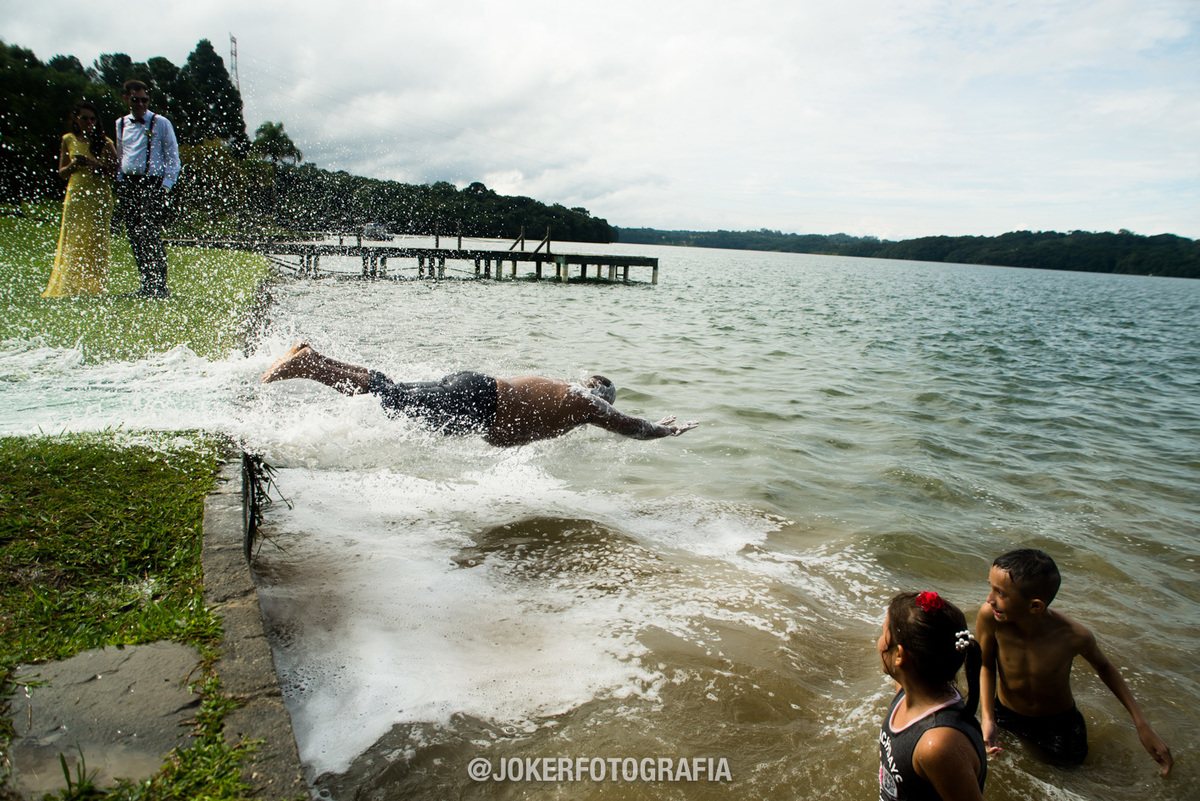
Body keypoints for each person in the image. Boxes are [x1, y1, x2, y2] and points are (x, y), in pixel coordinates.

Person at [260, 343, 699, 447]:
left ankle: (312, 357)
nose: (604, 408)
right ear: (601, 394)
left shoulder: (566, 396)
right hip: (478, 402)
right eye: (606, 401)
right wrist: (665, 430)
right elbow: (630, 427)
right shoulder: (583, 402)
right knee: (387, 402)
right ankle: (311, 366)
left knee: (388, 393)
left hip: (476, 390)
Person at [975, 548, 1172, 774]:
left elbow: (1105, 667)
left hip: (1059, 726)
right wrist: (988, 718)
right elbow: (986, 664)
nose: (989, 599)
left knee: (1069, 778)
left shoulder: (1073, 636)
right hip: (1007, 716)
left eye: (1000, 593)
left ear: (1035, 606)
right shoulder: (991, 617)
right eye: (991, 588)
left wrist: (1142, 724)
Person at [878, 591, 986, 801]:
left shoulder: (938, 745)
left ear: (900, 656)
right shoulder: (911, 689)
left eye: (884, 634)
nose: (879, 642)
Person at [42, 100, 118, 298]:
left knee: (96, 239)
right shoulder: (68, 139)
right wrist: (74, 166)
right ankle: (69, 285)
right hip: (76, 193)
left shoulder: (105, 142)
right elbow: (61, 172)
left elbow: (115, 171)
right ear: (76, 118)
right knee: (73, 237)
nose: (89, 122)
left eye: (92, 119)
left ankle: (94, 286)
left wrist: (95, 164)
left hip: (99, 195)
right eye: (84, 118)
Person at [115, 79, 180, 298]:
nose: (141, 104)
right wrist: (119, 181)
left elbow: (173, 158)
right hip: (128, 184)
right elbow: (120, 153)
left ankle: (160, 285)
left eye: (145, 99)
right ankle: (146, 283)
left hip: (153, 185)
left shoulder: (160, 123)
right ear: (126, 99)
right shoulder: (121, 124)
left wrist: (166, 188)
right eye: (136, 100)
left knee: (150, 233)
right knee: (134, 235)